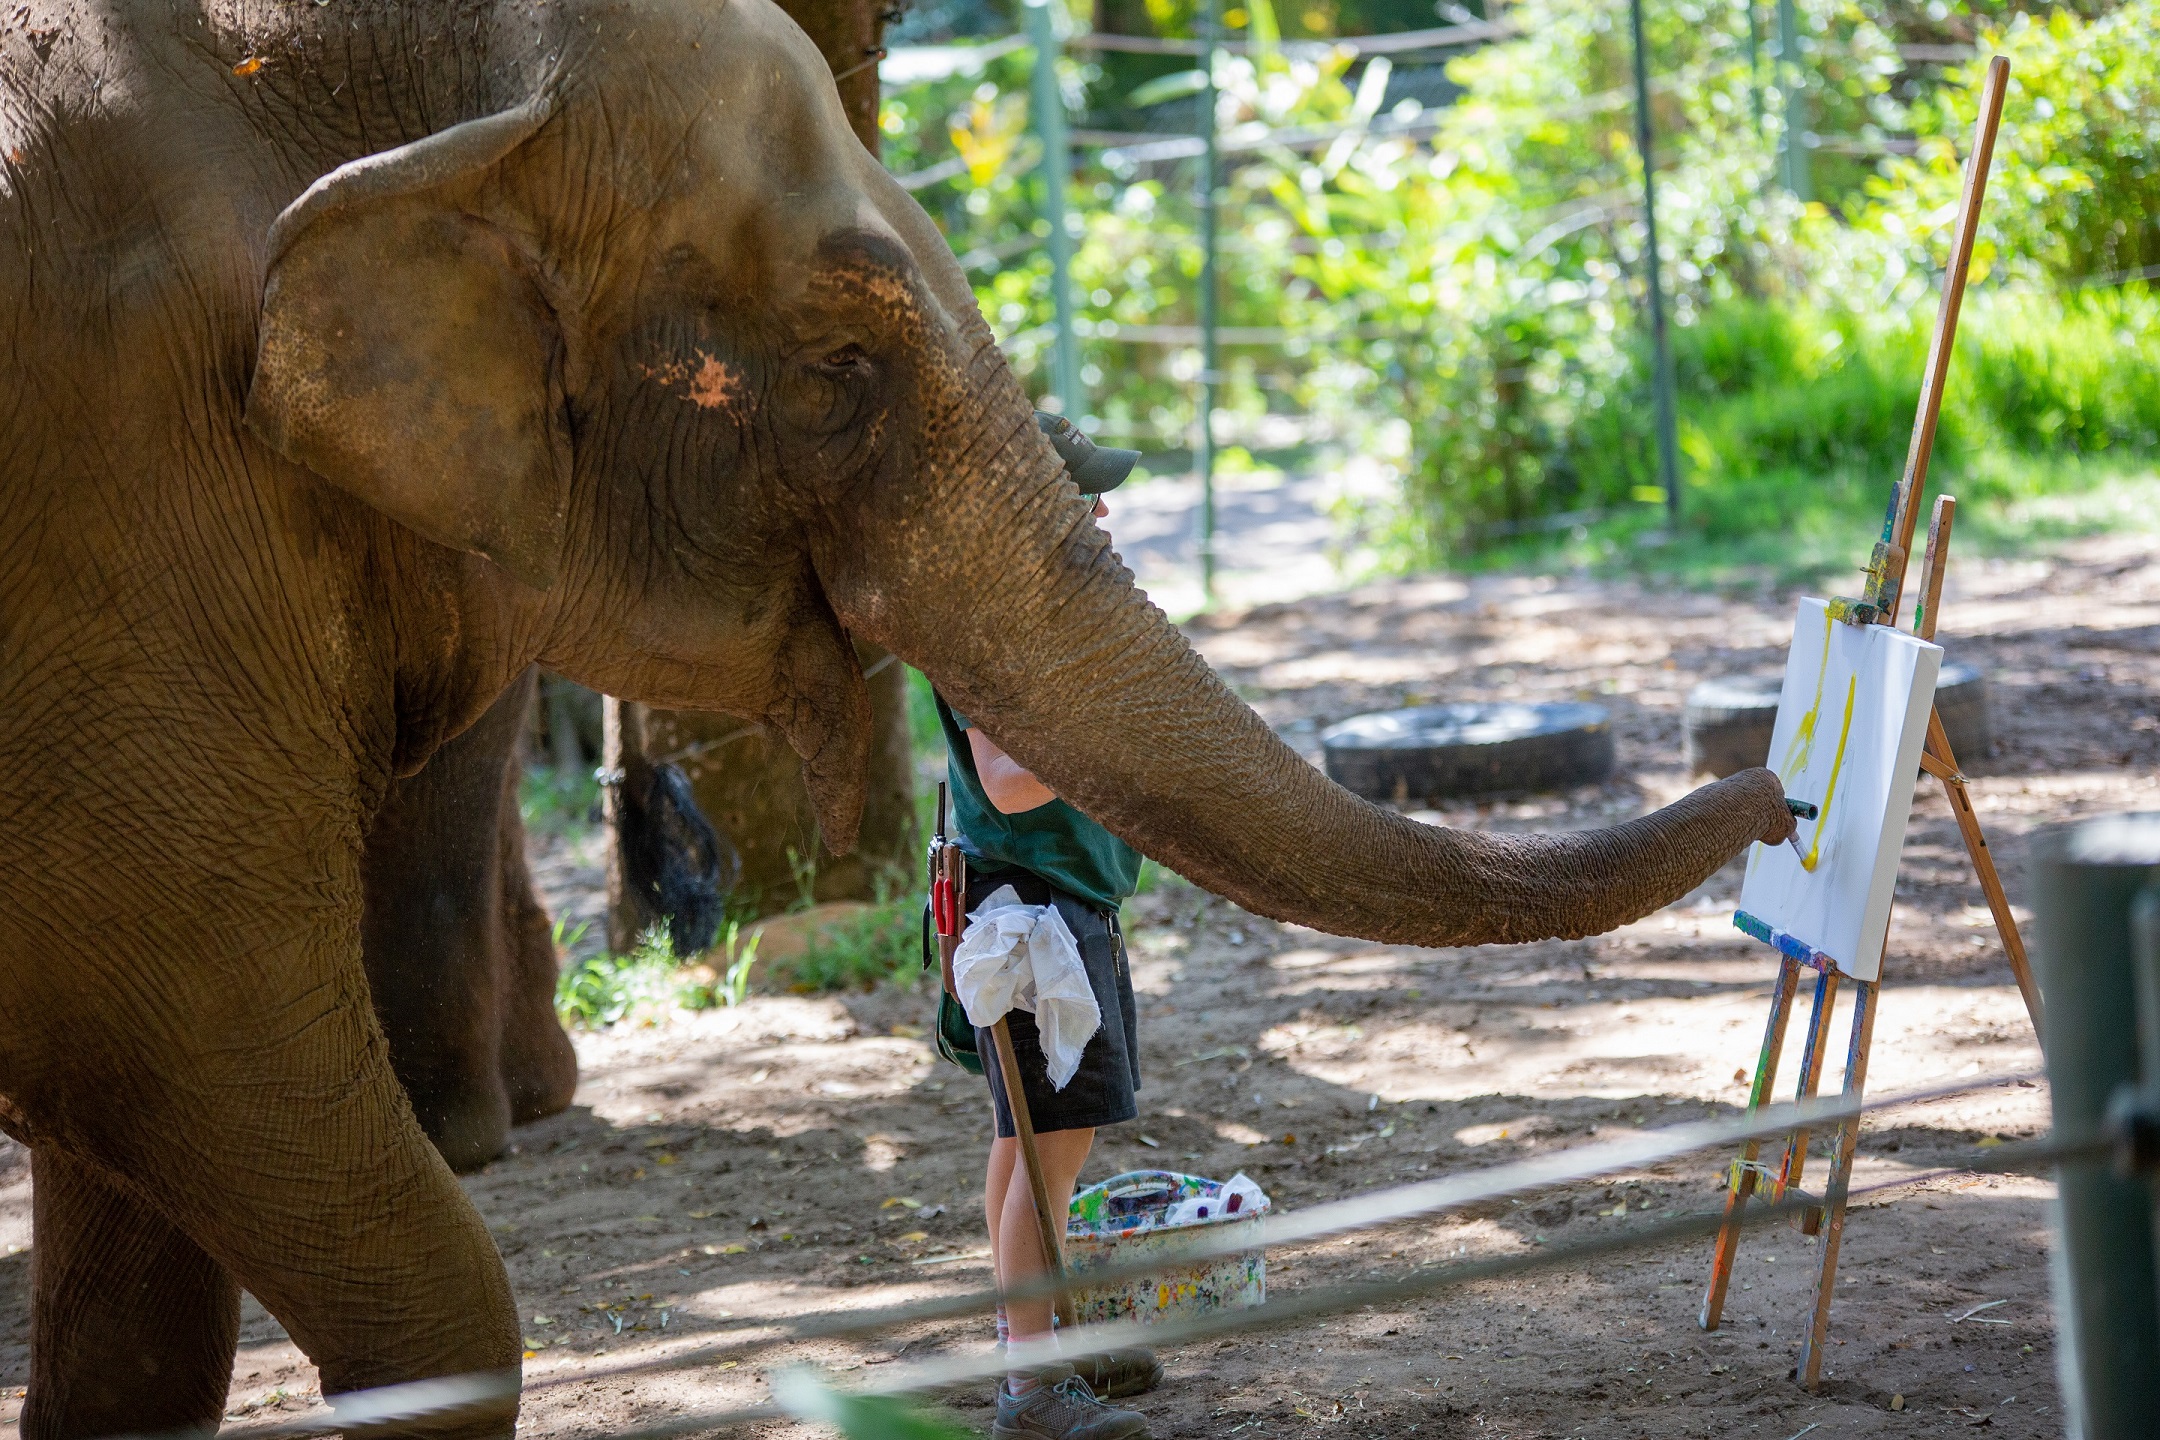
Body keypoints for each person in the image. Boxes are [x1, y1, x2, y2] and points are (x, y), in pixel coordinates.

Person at [937, 415, 1161, 1440]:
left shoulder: (1028, 616)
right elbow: (1007, 781)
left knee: (1023, 1142)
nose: (1102, 512)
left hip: (1060, 905)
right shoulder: (984, 628)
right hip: (1034, 919)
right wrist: (1109, 737)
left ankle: (1039, 1346)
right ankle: (1031, 1392)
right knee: (1047, 1155)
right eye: (1083, 495)